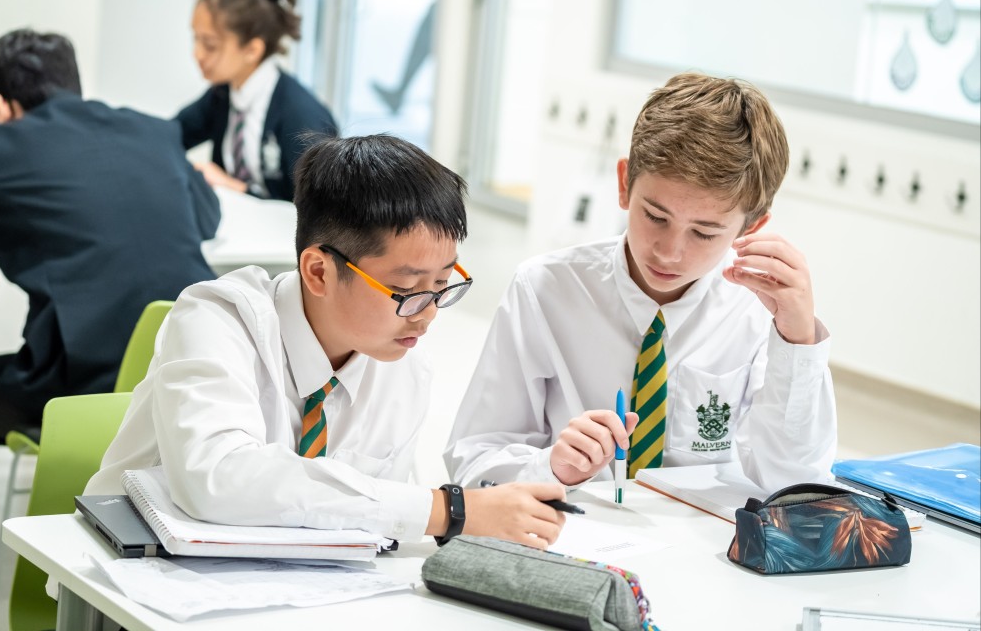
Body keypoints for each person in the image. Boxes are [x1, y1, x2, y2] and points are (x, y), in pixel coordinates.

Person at [84, 134, 567, 549]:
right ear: (318, 271)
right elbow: (217, 478)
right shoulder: (216, 319)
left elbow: (380, 528)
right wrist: (449, 511)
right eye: (406, 290)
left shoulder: (403, 368)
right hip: (135, 578)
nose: (428, 313)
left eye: (442, 285)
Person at [445, 73, 837, 492]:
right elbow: (474, 463)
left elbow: (795, 483)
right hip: (573, 520)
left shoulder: (759, 312)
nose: (670, 252)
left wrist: (798, 342)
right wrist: (550, 468)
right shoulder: (544, 290)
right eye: (655, 216)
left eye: (704, 233)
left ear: (751, 227)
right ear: (624, 184)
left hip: (703, 529)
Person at [0, 29, 220, 470]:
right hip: (188, 371)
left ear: (1, 107)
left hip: (78, 387)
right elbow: (205, 215)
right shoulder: (154, 132)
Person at [176, 0, 338, 202]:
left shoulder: (302, 116)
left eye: (210, 45)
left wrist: (238, 189)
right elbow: (172, 134)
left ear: (252, 50)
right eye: (196, 38)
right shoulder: (222, 94)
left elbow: (321, 208)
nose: (197, 54)